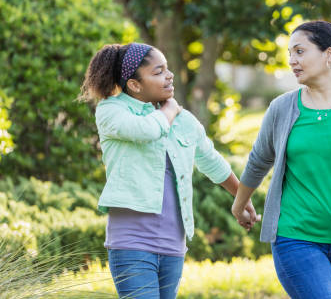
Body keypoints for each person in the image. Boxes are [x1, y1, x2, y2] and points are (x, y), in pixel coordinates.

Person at [79, 43, 259, 299]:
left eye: (167, 69)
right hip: (132, 243)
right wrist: (170, 110)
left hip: (173, 244)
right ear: (135, 85)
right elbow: (147, 131)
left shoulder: (184, 120)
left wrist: (243, 200)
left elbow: (212, 161)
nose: (169, 75)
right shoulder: (111, 110)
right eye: (158, 71)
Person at [231, 21, 331, 299]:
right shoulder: (283, 108)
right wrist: (239, 203)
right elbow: (259, 161)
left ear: (329, 55)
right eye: (290, 53)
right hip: (295, 236)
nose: (292, 61)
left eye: (300, 52)